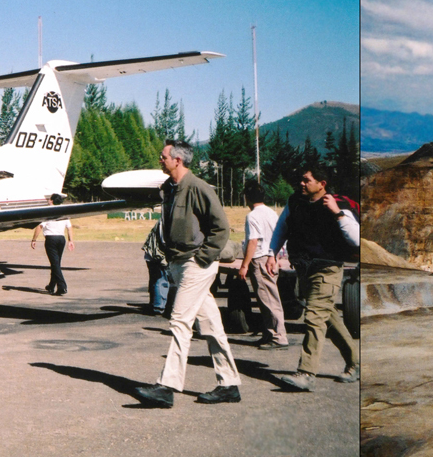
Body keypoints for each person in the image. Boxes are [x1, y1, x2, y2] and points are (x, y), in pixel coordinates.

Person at [133, 141, 242, 408]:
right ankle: (229, 384)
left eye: (163, 156)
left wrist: (203, 257)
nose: (160, 160)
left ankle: (167, 386)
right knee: (212, 327)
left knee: (179, 321)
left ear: (178, 160)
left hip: (196, 263)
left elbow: (221, 228)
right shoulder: (169, 189)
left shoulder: (198, 188)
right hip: (179, 263)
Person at [269, 166, 361, 391]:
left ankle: (306, 373)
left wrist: (336, 212)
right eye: (301, 180)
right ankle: (356, 362)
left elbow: (356, 239)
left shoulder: (337, 204)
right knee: (328, 318)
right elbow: (281, 228)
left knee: (313, 318)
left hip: (327, 269)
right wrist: (272, 254)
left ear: (322, 184)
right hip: (304, 269)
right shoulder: (295, 202)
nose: (302, 184)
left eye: (307, 180)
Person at [237, 183, 289, 349]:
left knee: (268, 299)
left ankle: (278, 337)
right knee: (267, 298)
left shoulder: (252, 216)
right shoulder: (271, 212)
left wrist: (244, 265)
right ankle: (268, 333)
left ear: (248, 197)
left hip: (260, 259)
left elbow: (253, 241)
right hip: (271, 257)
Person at [30, 194, 74, 295]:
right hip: (61, 239)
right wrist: (70, 240)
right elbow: (69, 227)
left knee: (55, 264)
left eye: (49, 199)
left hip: (51, 239)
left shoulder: (48, 211)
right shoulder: (64, 212)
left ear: (52, 201)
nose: (48, 201)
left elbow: (40, 226)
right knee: (56, 263)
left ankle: (62, 286)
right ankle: (51, 285)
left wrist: (34, 239)